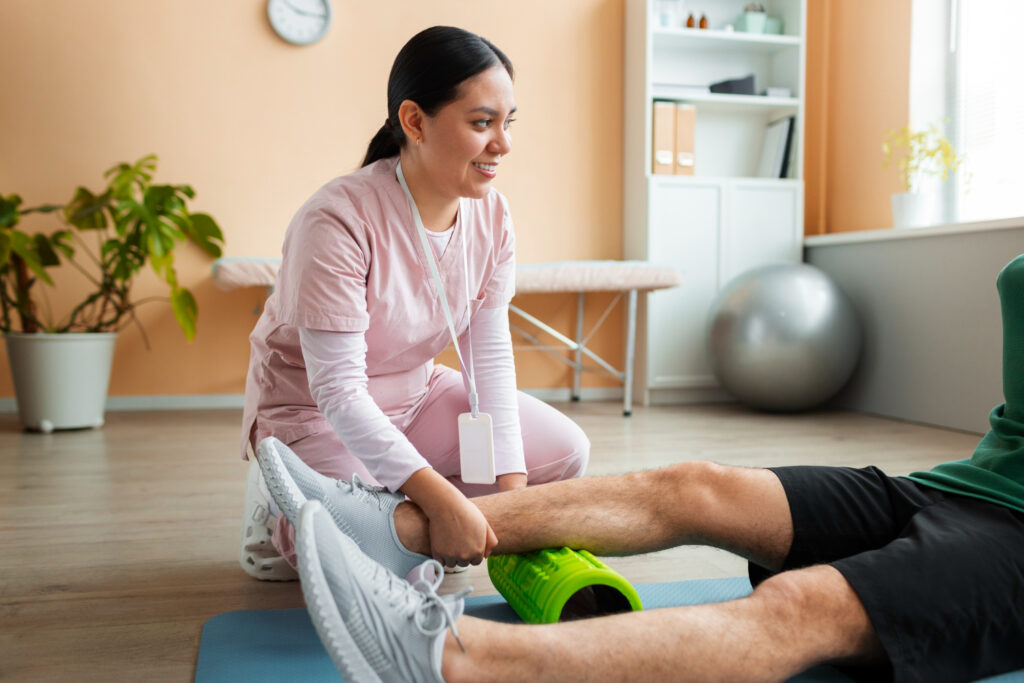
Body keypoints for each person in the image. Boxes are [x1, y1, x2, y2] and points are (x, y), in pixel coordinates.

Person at [260, 253, 1024, 682]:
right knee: (695, 485)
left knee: (806, 605)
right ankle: (395, 529)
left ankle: (453, 660)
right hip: (963, 482)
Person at [238, 26, 589, 581]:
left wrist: (512, 497)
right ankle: (283, 509)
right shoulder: (335, 219)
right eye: (482, 123)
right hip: (314, 413)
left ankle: (402, 514)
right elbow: (338, 391)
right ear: (414, 121)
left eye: (508, 122)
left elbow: (489, 358)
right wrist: (444, 502)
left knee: (566, 452)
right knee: (362, 539)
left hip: (416, 396)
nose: (503, 143)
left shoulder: (493, 216)